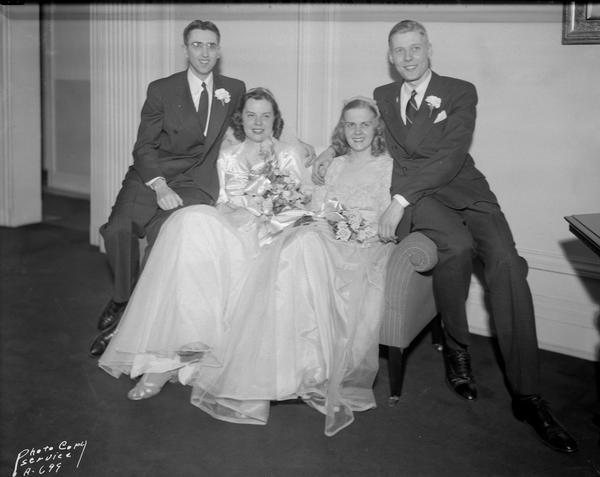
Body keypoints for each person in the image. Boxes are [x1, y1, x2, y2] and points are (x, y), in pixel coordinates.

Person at [312, 20, 577, 452]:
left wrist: (399, 200)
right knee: (456, 247)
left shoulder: (460, 90)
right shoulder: (383, 96)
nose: (408, 57)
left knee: (508, 264)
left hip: (464, 191)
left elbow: (452, 154)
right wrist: (332, 148)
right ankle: (457, 348)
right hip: (426, 200)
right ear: (391, 56)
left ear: (429, 49)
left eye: (415, 48)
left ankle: (528, 395)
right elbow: (362, 132)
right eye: (399, 51)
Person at [99, 93, 396, 436]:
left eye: (265, 116)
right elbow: (227, 201)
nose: (258, 122)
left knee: (287, 251)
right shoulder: (228, 155)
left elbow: (305, 195)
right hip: (239, 228)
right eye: (251, 116)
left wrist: (279, 211)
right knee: (189, 221)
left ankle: (216, 363)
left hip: (280, 234)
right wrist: (246, 215)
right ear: (242, 119)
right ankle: (166, 357)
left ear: (275, 119)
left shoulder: (291, 153)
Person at [89, 20, 246, 357]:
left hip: (195, 183)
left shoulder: (234, 88)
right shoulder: (161, 89)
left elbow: (259, 122)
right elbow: (143, 146)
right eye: (196, 45)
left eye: (211, 46)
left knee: (165, 241)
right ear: (185, 48)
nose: (204, 53)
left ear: (219, 51)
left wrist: (300, 145)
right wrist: (158, 185)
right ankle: (121, 298)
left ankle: (128, 323)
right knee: (118, 230)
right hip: (151, 175)